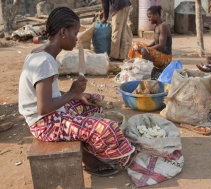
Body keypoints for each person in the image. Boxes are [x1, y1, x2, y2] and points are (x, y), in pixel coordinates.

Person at [18, 7, 134, 177]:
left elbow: (47, 92)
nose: (77, 38)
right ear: (63, 32)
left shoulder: (40, 53)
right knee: (108, 128)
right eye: (75, 33)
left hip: (50, 115)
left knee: (94, 101)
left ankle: (87, 150)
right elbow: (43, 108)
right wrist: (72, 93)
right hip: (45, 124)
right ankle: (94, 158)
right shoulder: (44, 62)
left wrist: (78, 95)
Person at [128, 5, 172, 79]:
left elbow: (161, 45)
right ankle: (132, 65)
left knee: (144, 50)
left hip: (166, 57)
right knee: (135, 45)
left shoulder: (163, 26)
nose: (149, 19)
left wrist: (146, 49)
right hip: (159, 54)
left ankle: (153, 71)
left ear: (156, 15)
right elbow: (155, 41)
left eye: (150, 17)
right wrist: (146, 47)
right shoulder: (157, 26)